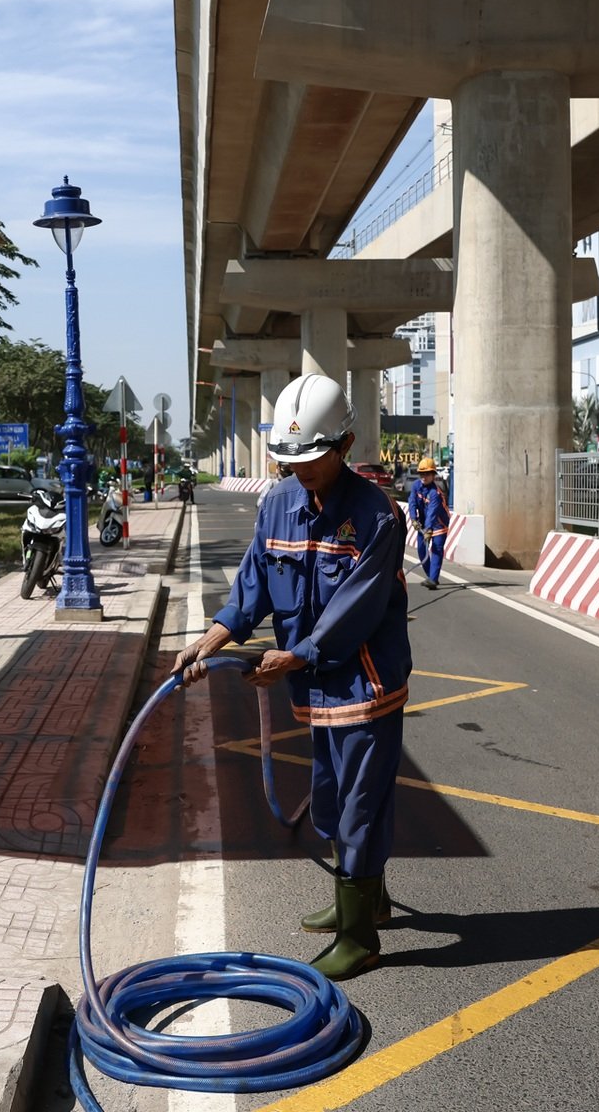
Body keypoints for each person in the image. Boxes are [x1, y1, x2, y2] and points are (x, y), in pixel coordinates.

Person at [172, 373, 410, 982]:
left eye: (313, 457)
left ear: (347, 444)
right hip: (312, 687)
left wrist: (295, 655)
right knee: (330, 800)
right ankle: (364, 898)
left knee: (360, 805)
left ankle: (361, 937)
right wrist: (210, 639)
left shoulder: (377, 517)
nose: (299, 469)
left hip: (365, 685)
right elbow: (252, 584)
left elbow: (352, 611)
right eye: (289, 457)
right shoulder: (278, 502)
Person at [407, 457, 450, 591]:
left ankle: (433, 578)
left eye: (427, 474)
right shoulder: (416, 486)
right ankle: (430, 576)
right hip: (423, 523)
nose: (424, 477)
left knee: (436, 550)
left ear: (433, 475)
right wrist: (414, 519)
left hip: (438, 524)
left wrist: (429, 529)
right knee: (421, 550)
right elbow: (412, 502)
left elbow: (432, 513)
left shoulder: (435, 493)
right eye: (422, 474)